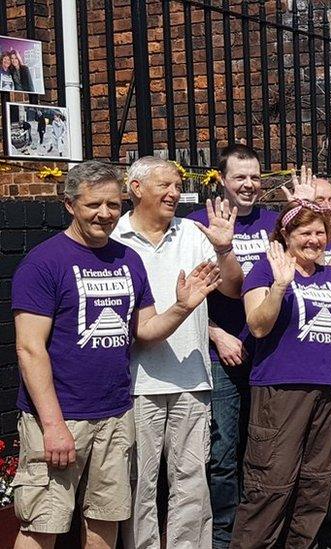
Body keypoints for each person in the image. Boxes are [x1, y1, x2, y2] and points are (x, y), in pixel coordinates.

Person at [10, 161, 220, 549]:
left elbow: (145, 330)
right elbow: (29, 349)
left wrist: (182, 307)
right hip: (61, 416)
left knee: (105, 520)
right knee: (43, 521)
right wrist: (53, 424)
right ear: (70, 204)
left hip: (115, 412)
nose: (105, 214)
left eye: (112, 204)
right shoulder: (44, 262)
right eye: (93, 205)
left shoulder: (127, 260)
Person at [113, 156, 243, 549]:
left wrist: (223, 250)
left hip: (192, 378)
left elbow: (233, 288)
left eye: (177, 184)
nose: (174, 193)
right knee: (141, 484)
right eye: (164, 185)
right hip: (137, 382)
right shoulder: (115, 237)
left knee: (192, 481)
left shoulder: (192, 233)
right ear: (136, 189)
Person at [230, 200, 331, 548]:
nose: (313, 239)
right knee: (270, 483)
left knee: (315, 484)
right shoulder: (265, 271)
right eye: (304, 232)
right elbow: (257, 326)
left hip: (328, 388)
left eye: (319, 233)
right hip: (280, 390)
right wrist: (281, 286)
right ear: (285, 234)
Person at [186, 144, 278, 549]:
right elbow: (179, 296)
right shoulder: (194, 225)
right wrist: (215, 332)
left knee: (265, 448)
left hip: (268, 354)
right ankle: (224, 536)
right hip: (219, 354)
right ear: (220, 178)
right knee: (223, 453)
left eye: (255, 176)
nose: (249, 184)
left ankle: (259, 531)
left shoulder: (273, 223)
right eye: (240, 176)